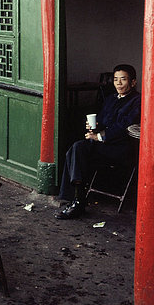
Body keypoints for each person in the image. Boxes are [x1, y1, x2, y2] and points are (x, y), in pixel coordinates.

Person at [55, 64, 141, 220]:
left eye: (123, 79)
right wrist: (93, 127)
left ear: (133, 82)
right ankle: (77, 199)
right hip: (104, 144)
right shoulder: (111, 99)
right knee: (76, 149)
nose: (119, 83)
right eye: (115, 79)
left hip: (121, 148)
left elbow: (125, 127)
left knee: (78, 150)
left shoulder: (138, 101)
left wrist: (100, 137)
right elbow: (102, 119)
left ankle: (77, 200)